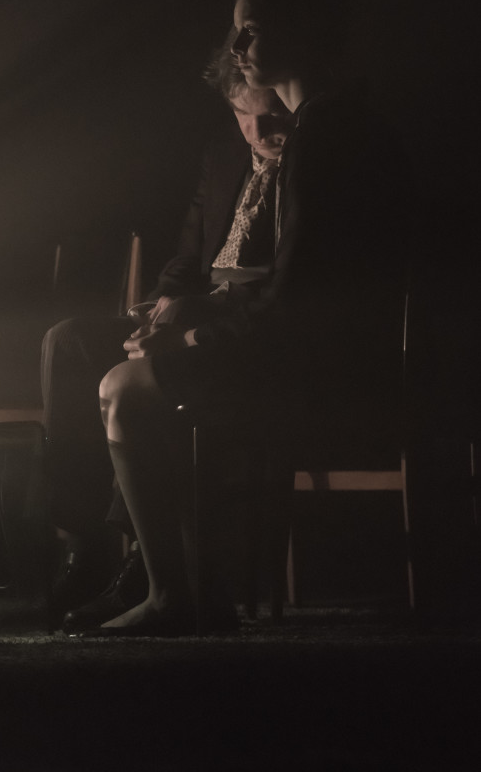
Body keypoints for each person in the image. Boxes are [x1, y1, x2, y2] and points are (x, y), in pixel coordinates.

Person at [82, 0, 410, 637]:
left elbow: (299, 302)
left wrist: (194, 339)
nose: (237, 48)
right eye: (236, 30)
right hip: (315, 350)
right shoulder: (329, 124)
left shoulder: (324, 136)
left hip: (326, 371)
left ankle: (176, 595)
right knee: (126, 368)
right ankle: (181, 584)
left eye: (252, 29)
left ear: (305, 30)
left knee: (124, 386)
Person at [41, 64, 295, 622]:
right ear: (232, 112)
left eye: (276, 111)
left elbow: (285, 286)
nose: (267, 127)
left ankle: (145, 567)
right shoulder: (224, 155)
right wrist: (160, 305)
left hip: (244, 321)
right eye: (251, 117)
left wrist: (188, 324)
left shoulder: (307, 163)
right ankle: (85, 548)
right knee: (71, 342)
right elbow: (188, 254)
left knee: (141, 378)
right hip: (200, 304)